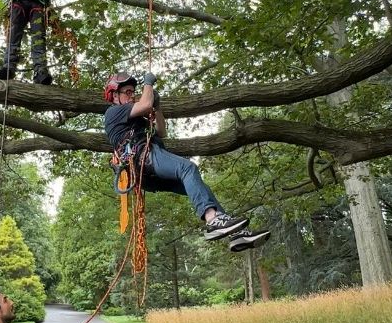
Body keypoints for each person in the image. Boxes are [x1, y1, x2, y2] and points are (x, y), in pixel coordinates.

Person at [103, 72, 270, 252]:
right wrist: (148, 84)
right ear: (114, 96)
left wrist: (157, 107)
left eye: (133, 92)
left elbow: (161, 131)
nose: (131, 96)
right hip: (143, 156)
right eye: (127, 92)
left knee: (201, 188)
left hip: (145, 170)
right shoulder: (113, 112)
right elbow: (144, 104)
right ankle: (213, 220)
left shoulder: (136, 120)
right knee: (188, 168)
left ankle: (237, 236)